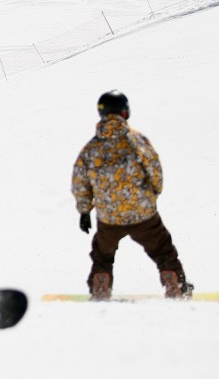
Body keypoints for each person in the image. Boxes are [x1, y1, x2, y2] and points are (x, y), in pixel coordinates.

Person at [72, 90, 193, 301]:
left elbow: (80, 181)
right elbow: (154, 168)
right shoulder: (136, 140)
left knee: (102, 254)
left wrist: (84, 211)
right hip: (142, 214)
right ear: (125, 113)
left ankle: (101, 285)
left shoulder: (91, 148)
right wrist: (153, 193)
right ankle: (175, 284)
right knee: (163, 250)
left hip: (109, 218)